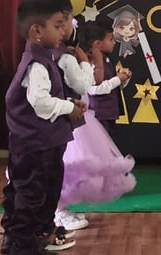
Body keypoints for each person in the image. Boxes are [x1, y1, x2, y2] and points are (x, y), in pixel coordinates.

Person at [0, 0, 86, 255]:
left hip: (42, 142)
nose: (64, 31)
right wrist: (69, 108)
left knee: (40, 190)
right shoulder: (36, 63)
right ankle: (22, 244)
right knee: (32, 195)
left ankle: (36, 234)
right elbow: (39, 102)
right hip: (35, 144)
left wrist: (68, 103)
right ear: (37, 31)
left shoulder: (43, 58)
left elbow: (44, 98)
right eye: (58, 25)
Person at [59, 20, 136, 214]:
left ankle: (97, 185)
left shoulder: (103, 60)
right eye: (110, 39)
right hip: (88, 114)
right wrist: (116, 79)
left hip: (97, 114)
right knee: (82, 155)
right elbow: (93, 87)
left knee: (97, 155)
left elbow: (100, 82)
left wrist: (120, 80)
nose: (114, 42)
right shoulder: (83, 61)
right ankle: (73, 192)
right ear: (97, 44)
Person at [42, 0, 96, 232]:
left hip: (49, 121)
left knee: (52, 165)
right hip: (56, 122)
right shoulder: (66, 57)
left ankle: (52, 211)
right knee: (55, 167)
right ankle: (57, 212)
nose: (70, 27)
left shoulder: (43, 54)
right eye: (65, 23)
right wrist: (84, 60)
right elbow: (83, 85)